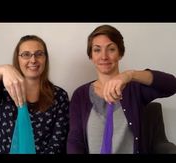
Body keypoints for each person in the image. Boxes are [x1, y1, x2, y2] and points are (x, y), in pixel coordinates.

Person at [67, 24, 176, 154]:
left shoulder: (135, 88)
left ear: (120, 53)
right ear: (91, 55)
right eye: (97, 50)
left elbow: (171, 85)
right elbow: (75, 140)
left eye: (111, 49)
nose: (104, 56)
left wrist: (130, 75)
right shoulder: (80, 95)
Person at [0, 35, 69, 154]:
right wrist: (4, 69)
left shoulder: (59, 96)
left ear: (46, 58)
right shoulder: (3, 92)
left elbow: (57, 145)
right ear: (17, 59)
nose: (33, 60)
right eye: (26, 54)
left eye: (39, 54)